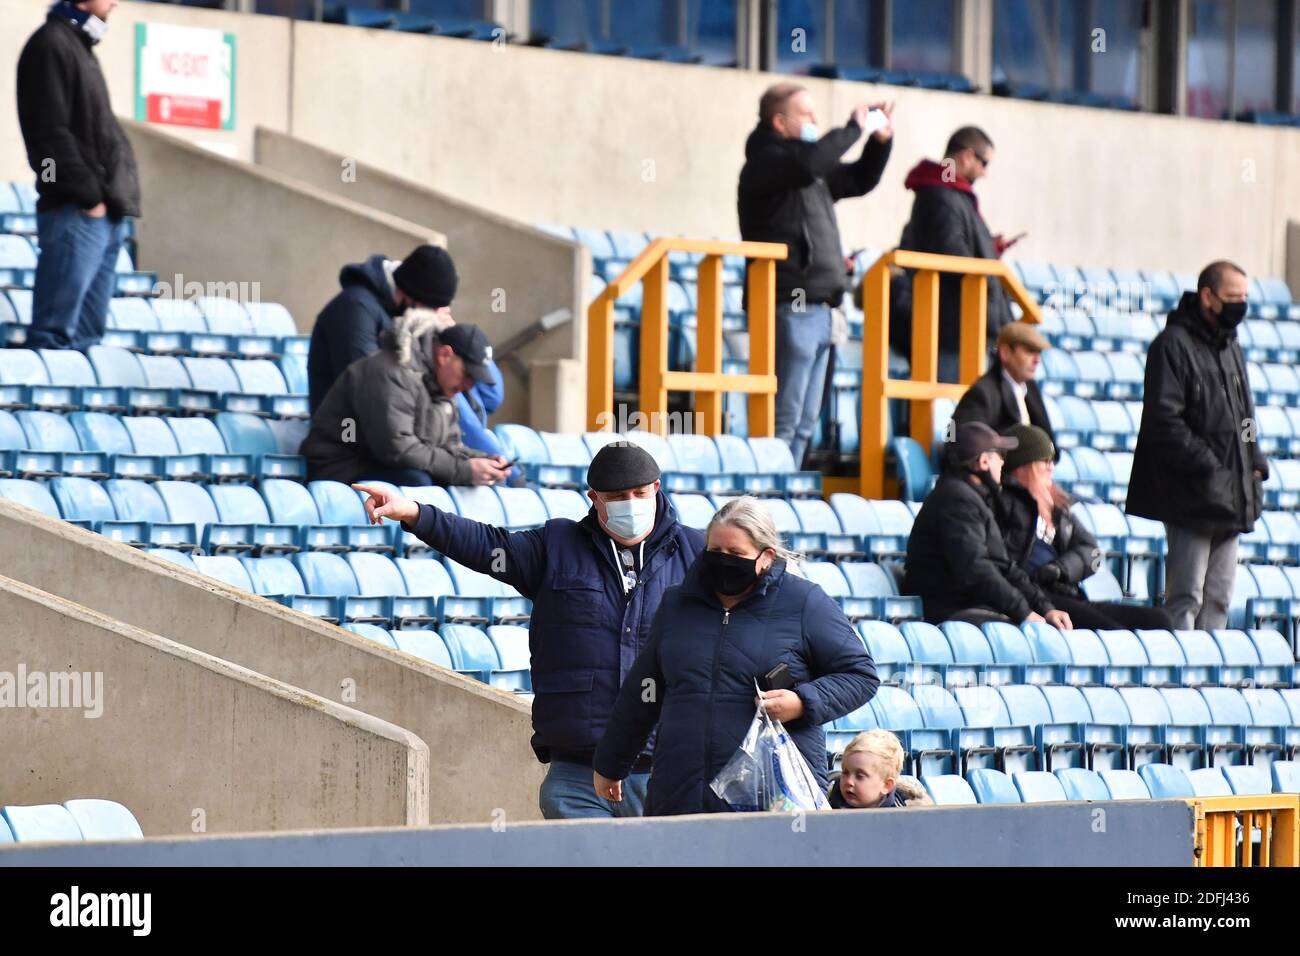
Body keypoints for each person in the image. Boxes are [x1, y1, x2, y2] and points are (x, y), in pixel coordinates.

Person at [353, 440, 705, 819]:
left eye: (640, 493)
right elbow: (486, 546)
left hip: (665, 769)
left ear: (656, 489)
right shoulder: (556, 546)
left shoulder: (698, 554)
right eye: (618, 496)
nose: (632, 503)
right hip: (576, 774)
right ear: (595, 498)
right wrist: (414, 513)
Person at [592, 496, 878, 816]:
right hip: (680, 791)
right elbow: (643, 691)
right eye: (715, 552)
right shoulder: (677, 604)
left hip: (771, 798)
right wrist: (611, 763)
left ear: (766, 557)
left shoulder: (804, 602)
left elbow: (860, 675)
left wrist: (802, 703)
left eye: (736, 554)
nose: (724, 561)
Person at [738, 83, 894, 467]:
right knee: (784, 421)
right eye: (806, 115)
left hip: (825, 308)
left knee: (806, 424)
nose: (814, 122)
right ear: (779, 121)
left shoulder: (810, 171)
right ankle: (768, 501)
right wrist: (852, 127)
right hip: (790, 305)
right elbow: (809, 163)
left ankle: (784, 496)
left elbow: (859, 180)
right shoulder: (766, 164)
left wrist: (878, 141)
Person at [1127, 260, 1268, 630]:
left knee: (1219, 599)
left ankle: (1209, 681)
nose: (1240, 305)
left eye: (1245, 297)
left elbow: (1246, 416)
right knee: (1186, 596)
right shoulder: (1171, 346)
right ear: (1207, 296)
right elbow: (1164, 422)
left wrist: (1255, 458)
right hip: (1191, 496)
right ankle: (1180, 680)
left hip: (1232, 495)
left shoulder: (1230, 346)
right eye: (1232, 297)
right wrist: (1210, 467)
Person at [16, 0, 138, 352]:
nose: (115, 2)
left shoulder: (78, 46)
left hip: (104, 212)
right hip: (77, 211)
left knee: (87, 342)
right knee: (54, 336)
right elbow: (46, 140)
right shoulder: (51, 44)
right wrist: (82, 196)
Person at [300, 311, 512, 487]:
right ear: (445, 355)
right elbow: (397, 449)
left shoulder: (444, 386)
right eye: (467, 375)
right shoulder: (391, 372)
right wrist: (465, 469)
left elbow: (450, 446)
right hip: (340, 470)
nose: (469, 386)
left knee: (469, 481)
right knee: (418, 482)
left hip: (380, 465)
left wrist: (483, 461)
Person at [999, 424, 1173, 630]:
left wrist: (1059, 569)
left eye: (1052, 461)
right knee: (1114, 635)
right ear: (1022, 466)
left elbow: (1091, 551)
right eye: (1044, 461)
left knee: (1159, 620)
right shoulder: (1004, 504)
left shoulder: (1057, 503)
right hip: (1036, 596)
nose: (1051, 467)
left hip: (1066, 592)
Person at [903, 422, 1072, 629]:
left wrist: (1045, 608)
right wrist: (1024, 612)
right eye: (999, 454)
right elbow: (976, 569)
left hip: (970, 608)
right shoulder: (956, 500)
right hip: (949, 613)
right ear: (983, 461)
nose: (1003, 462)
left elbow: (1005, 567)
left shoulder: (974, 498)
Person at [895, 126, 1016, 381]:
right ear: (966, 156)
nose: (985, 172)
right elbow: (952, 256)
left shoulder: (952, 195)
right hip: (956, 331)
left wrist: (988, 249)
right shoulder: (942, 195)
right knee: (958, 414)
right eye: (984, 163)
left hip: (965, 329)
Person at [307, 245, 458, 414]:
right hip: (345, 432)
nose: (433, 315)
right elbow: (368, 390)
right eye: (433, 309)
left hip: (385, 426)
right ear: (415, 298)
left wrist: (452, 339)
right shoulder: (354, 309)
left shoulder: (401, 314)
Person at [953, 321, 1058, 457]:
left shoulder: (1030, 387)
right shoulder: (982, 393)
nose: (1037, 360)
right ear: (1005, 353)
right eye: (1029, 351)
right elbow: (964, 450)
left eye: (1039, 352)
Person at [828, 730, 932, 809]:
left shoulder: (906, 812)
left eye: (860, 776)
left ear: (886, 785)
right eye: (845, 772)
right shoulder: (826, 805)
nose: (849, 781)